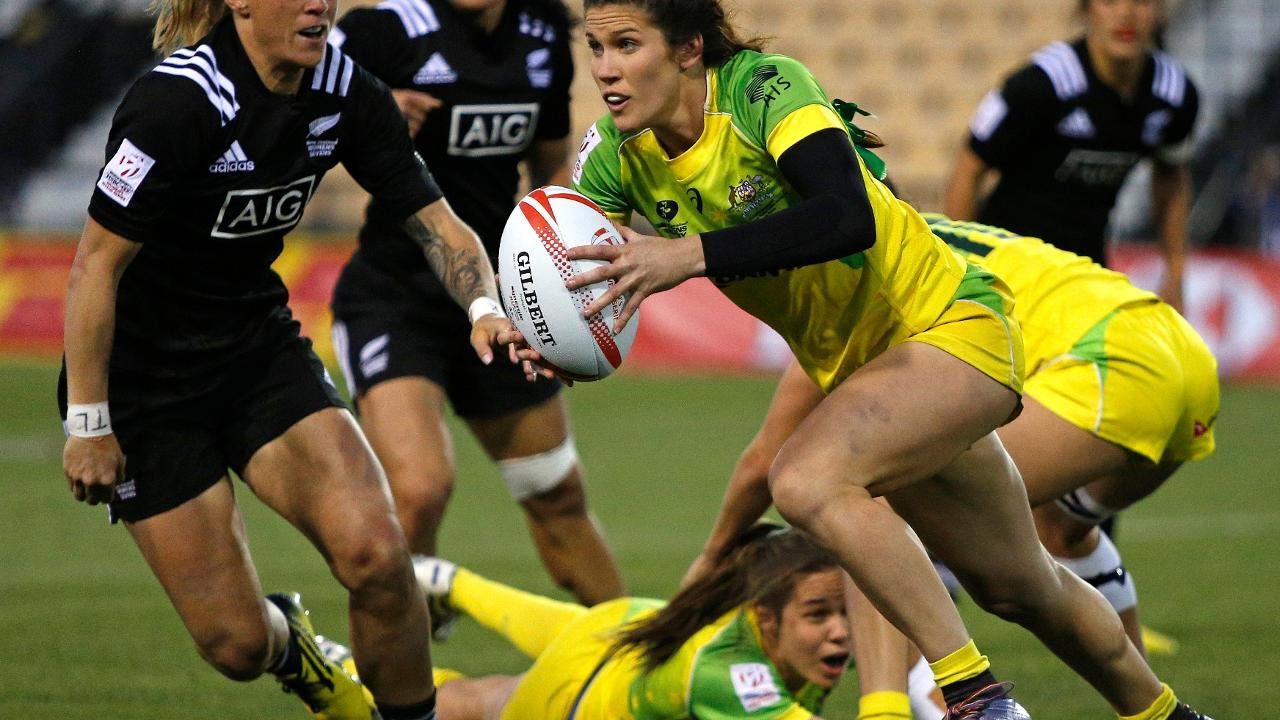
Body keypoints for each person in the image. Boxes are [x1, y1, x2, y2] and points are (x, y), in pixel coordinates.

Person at [566, 1, 1211, 717]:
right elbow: (568, 268)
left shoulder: (761, 89)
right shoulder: (615, 155)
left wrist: (690, 254)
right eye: (595, 47)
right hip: (881, 378)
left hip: (950, 328)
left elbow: (849, 213)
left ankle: (972, 694)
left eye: (627, 44)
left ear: (688, 48)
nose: (605, 70)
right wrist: (525, 330)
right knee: (1023, 585)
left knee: (807, 479)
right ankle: (1167, 714)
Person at [58, 0, 526, 717]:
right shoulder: (178, 100)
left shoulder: (342, 88)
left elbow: (432, 218)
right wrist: (90, 421)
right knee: (236, 646)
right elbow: (95, 267)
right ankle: (292, 649)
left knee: (379, 556)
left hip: (256, 353)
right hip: (146, 388)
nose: (320, 4)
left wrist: (485, 310)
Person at [689, 214, 1220, 718]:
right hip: (1180, 356)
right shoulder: (925, 235)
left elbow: (765, 460)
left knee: (860, 494)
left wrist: (711, 559)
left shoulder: (856, 274)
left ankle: (896, 708)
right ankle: (1157, 710)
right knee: (1057, 534)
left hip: (1109, 363)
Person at [327, 0, 625, 613]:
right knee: (419, 490)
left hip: (503, 304)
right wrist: (365, 121)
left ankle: (641, 663)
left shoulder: (542, 33)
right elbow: (293, 133)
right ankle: (403, 665)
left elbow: (549, 166)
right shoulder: (384, 30)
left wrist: (563, 267)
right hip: (395, 300)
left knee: (557, 494)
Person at [322, 523, 855, 719]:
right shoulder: (733, 679)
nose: (841, 631)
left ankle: (451, 584)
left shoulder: (766, 612)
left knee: (484, 698)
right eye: (819, 614)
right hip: (579, 695)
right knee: (473, 710)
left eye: (846, 613)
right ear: (767, 619)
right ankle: (335, 682)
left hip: (628, 627)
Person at [944, 0, 1198, 311]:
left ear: (1160, 10)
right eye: (1109, 1)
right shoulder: (1041, 84)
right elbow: (969, 167)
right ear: (1085, 9)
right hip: (1007, 268)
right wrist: (962, 271)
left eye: (1141, 1)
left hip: (1086, 271)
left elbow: (1171, 175)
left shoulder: (1173, 94)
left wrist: (1175, 272)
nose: (1125, 13)